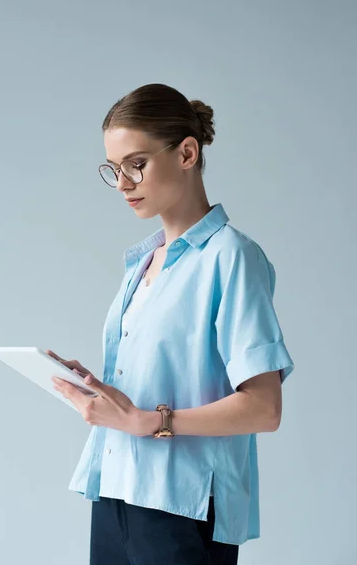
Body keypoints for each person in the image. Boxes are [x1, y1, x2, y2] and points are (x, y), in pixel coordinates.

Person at [47, 83, 295, 565]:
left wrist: (150, 422)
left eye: (136, 164)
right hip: (115, 492)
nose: (123, 183)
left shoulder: (232, 257)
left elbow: (265, 408)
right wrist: (101, 392)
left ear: (186, 153)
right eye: (114, 170)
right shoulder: (142, 265)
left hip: (181, 507)